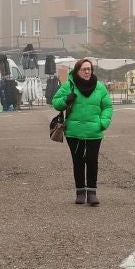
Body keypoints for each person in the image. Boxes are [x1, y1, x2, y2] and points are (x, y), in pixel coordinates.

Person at [52, 57, 114, 206]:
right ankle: (80, 191)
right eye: (84, 69)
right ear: (77, 70)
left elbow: (107, 107)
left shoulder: (100, 87)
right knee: (78, 161)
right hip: (74, 132)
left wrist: (103, 122)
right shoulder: (69, 86)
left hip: (94, 131)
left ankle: (92, 192)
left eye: (89, 69)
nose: (87, 72)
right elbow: (55, 103)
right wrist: (66, 99)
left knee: (92, 161)